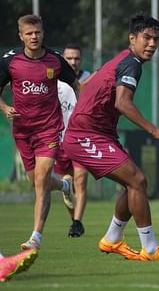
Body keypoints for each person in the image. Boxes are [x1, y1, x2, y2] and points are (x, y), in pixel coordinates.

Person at [62, 12, 159, 262]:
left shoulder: (122, 58)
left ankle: (112, 239)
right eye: (146, 38)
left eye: (156, 39)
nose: (152, 44)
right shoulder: (131, 63)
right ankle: (150, 249)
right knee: (137, 180)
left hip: (99, 133)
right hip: (85, 135)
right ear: (133, 38)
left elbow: (88, 86)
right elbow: (122, 102)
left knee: (134, 183)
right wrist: (154, 130)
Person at [0, 14, 79, 250]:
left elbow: (75, 83)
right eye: (29, 33)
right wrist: (5, 108)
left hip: (49, 129)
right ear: (21, 36)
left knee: (42, 180)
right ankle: (65, 186)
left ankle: (36, 237)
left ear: (43, 33)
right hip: (23, 132)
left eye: (38, 32)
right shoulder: (9, 62)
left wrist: (82, 112)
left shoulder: (55, 60)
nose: (34, 37)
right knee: (36, 181)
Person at [57, 44, 91, 238]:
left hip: (83, 138)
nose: (73, 62)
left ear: (81, 60)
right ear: (63, 59)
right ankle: (74, 220)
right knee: (67, 186)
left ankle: (77, 223)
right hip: (61, 140)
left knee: (81, 180)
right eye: (69, 58)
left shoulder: (88, 79)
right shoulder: (55, 81)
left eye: (76, 58)